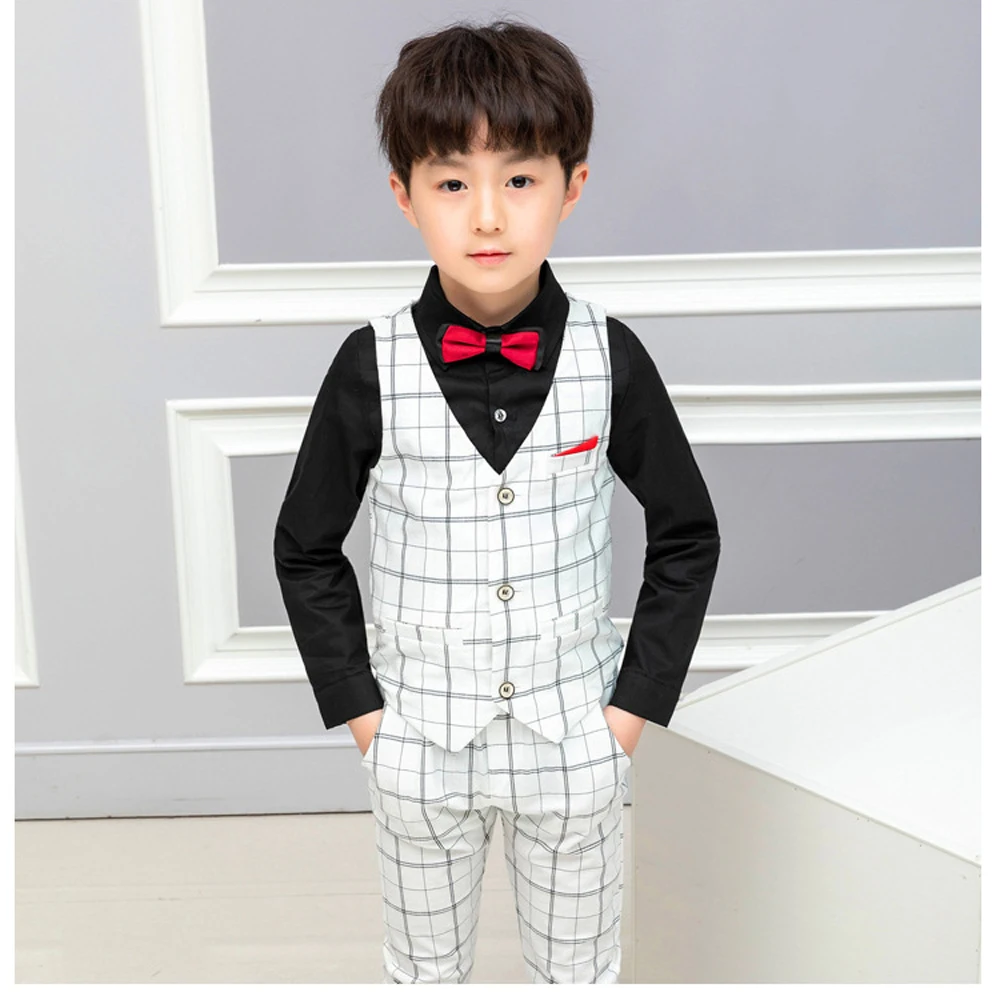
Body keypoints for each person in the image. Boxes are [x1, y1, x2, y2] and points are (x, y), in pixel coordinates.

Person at [274, 18, 721, 984]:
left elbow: (688, 535)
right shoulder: (369, 365)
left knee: (581, 974)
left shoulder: (612, 356)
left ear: (572, 186)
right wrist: (367, 720)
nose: (487, 217)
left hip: (575, 742)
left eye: (519, 180)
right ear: (403, 195)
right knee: (423, 974)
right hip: (419, 745)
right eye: (451, 183)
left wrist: (627, 718)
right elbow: (304, 547)